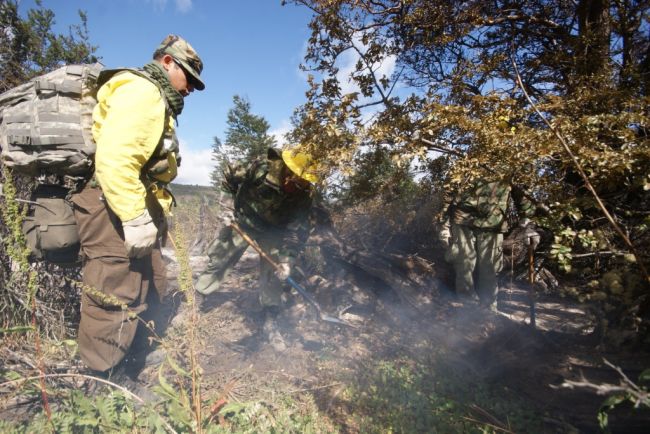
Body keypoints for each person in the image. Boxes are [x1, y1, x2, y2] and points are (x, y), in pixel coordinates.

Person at [70, 35, 205, 376]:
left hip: (131, 204)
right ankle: (103, 380)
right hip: (112, 207)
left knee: (152, 283)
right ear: (167, 63)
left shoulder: (158, 98)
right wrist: (133, 217)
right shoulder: (144, 91)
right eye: (187, 76)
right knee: (113, 293)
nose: (189, 87)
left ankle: (135, 358)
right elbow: (115, 159)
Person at [195, 147, 317, 351]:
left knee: (275, 272)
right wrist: (226, 209)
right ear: (289, 172)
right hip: (243, 221)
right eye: (300, 179)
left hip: (274, 231)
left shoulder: (305, 195)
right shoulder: (260, 168)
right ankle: (198, 299)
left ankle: (270, 318)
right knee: (221, 258)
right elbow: (229, 176)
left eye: (306, 181)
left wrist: (287, 260)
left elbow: (298, 230)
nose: (303, 185)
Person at [438, 179, 540, 311]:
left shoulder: (509, 166)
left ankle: (488, 311)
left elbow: (522, 195)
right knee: (464, 264)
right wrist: (444, 227)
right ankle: (467, 308)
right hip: (462, 223)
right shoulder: (466, 162)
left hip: (492, 225)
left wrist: (528, 224)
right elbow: (448, 197)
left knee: (489, 268)